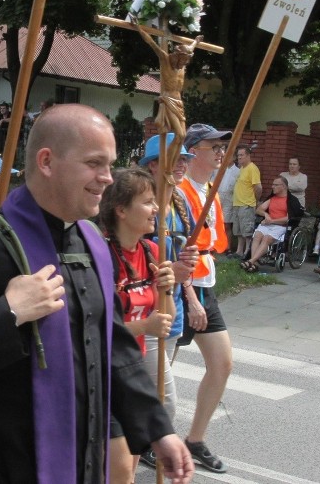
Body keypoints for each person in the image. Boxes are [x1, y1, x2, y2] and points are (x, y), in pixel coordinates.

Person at [0, 104, 193, 484]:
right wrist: (7, 312)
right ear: (47, 161)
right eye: (94, 163)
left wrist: (159, 428)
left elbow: (112, 345)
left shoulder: (93, 244)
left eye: (110, 164)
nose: (107, 178)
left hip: (77, 460)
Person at [99, 168, 177, 484]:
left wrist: (167, 289)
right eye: (147, 202)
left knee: (127, 470)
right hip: (104, 373)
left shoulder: (152, 251)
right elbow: (95, 328)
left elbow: (165, 320)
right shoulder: (101, 256)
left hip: (132, 370)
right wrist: (145, 325)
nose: (156, 209)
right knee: (117, 472)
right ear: (121, 210)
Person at [138, 134, 199, 470]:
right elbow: (133, 260)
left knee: (156, 387)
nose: (181, 164)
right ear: (151, 165)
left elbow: (181, 258)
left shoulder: (181, 203)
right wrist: (170, 270)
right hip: (147, 312)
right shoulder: (144, 205)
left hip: (171, 310)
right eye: (173, 158)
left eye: (184, 158)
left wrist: (190, 293)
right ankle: (148, 445)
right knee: (164, 400)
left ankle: (138, 445)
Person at [178, 123, 233, 473]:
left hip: (204, 285)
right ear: (193, 150)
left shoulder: (209, 187)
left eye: (221, 147)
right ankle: (150, 439)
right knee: (159, 371)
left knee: (222, 364)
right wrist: (191, 299)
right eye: (214, 147)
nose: (220, 153)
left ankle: (194, 439)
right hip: (181, 288)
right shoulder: (179, 190)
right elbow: (176, 249)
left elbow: (215, 241)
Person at [240, 176, 304, 273]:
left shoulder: (291, 200)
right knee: (257, 236)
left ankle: (251, 261)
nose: (272, 186)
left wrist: (272, 221)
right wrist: (266, 214)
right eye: (273, 184)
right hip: (268, 224)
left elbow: (288, 218)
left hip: (280, 226)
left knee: (266, 238)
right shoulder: (272, 199)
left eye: (275, 185)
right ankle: (254, 263)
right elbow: (259, 209)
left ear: (283, 186)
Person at [230, 145, 261, 259]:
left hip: (247, 204)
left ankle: (248, 252)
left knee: (247, 231)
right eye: (238, 155)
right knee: (238, 230)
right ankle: (239, 251)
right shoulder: (242, 168)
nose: (239, 157)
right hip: (237, 203)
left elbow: (258, 187)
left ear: (248, 155)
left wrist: (255, 201)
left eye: (242, 155)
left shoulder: (252, 168)